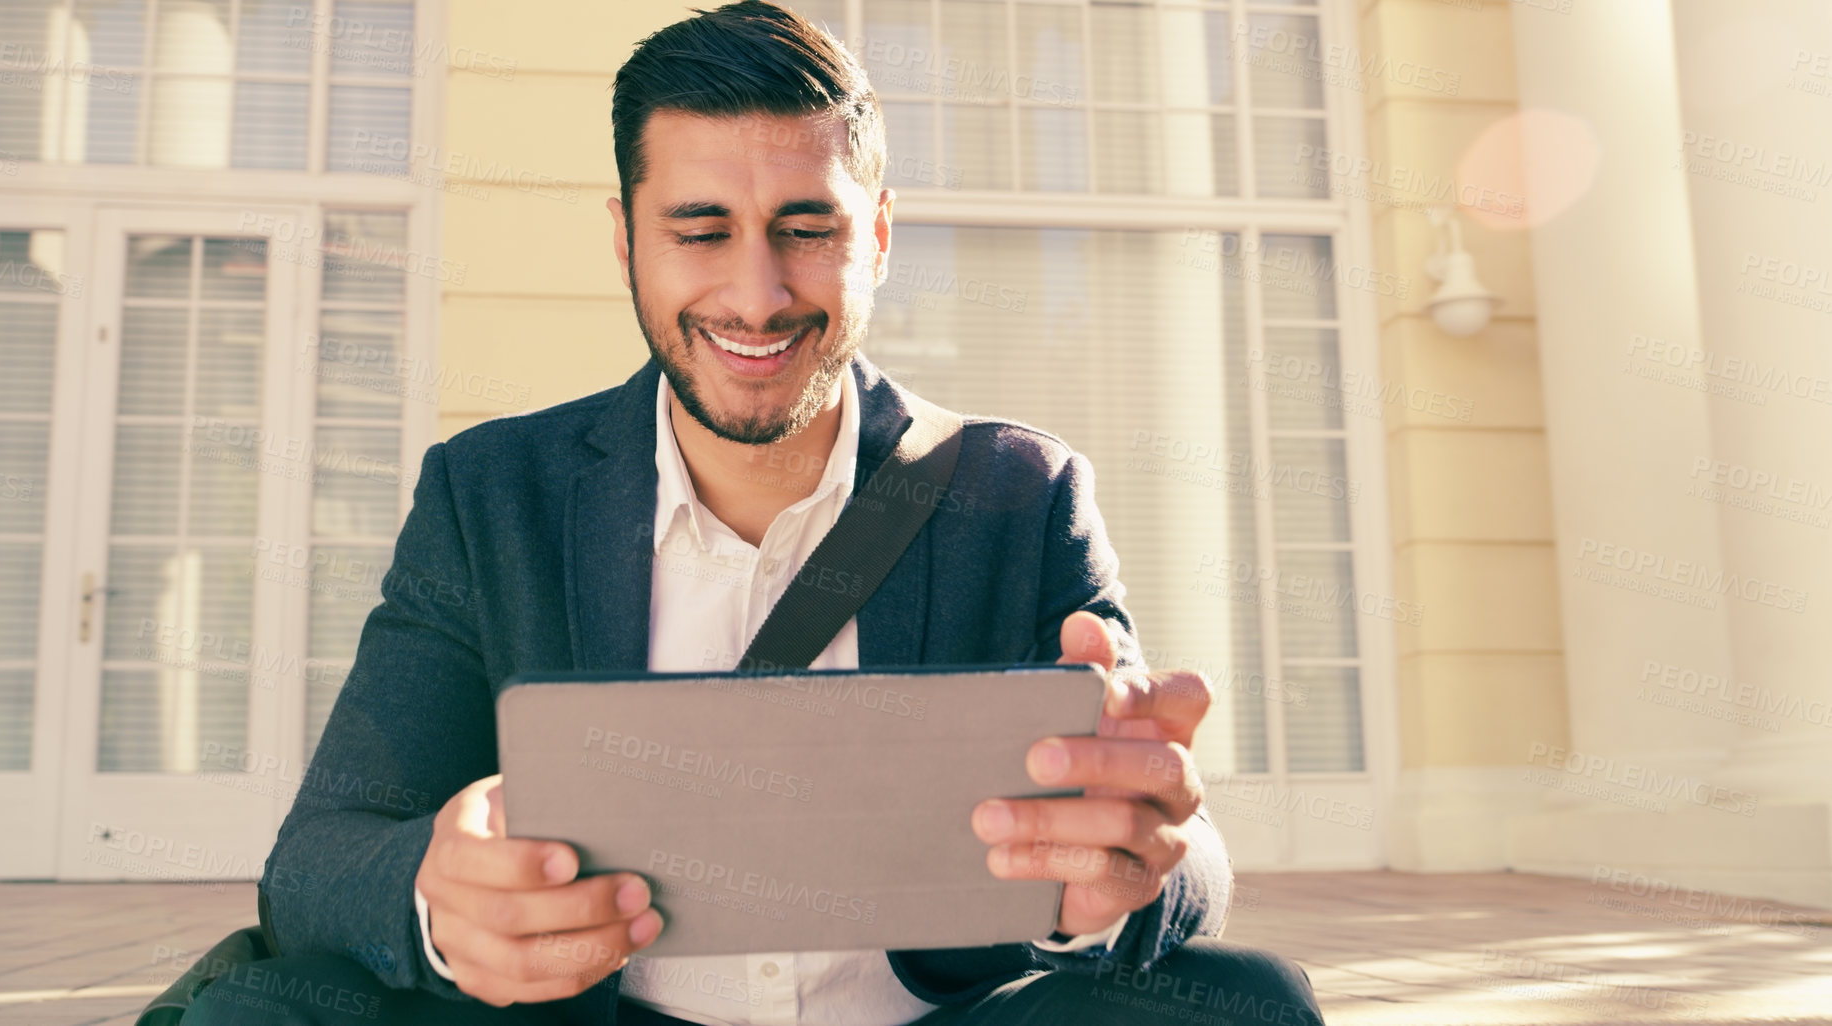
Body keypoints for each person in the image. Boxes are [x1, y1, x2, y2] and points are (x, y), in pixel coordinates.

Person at [182, 3, 1324, 1024]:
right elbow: (321, 859)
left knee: (1247, 1007)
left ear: (876, 235)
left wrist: (1124, 875)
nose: (757, 294)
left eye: (806, 228)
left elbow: (1180, 857)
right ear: (626, 241)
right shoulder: (492, 495)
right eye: (700, 230)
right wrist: (435, 901)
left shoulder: (1019, 495)